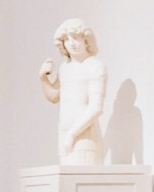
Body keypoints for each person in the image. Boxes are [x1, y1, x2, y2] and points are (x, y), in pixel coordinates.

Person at [39, 17, 107, 165]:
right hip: (64, 134)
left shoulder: (95, 66)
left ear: (86, 40)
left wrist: (72, 134)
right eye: (67, 40)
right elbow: (54, 96)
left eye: (75, 38)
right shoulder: (65, 68)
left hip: (85, 138)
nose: (72, 43)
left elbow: (96, 108)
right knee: (66, 184)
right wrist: (43, 78)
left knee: (83, 182)